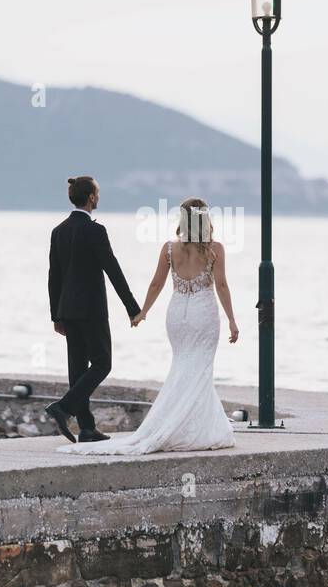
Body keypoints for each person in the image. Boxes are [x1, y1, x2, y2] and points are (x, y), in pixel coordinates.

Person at [59, 197, 238, 456]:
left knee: (182, 365)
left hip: (177, 314)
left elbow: (156, 284)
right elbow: (221, 285)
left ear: (183, 218)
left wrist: (142, 312)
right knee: (200, 368)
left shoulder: (169, 248)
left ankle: (189, 422)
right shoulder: (215, 249)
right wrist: (232, 319)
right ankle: (192, 426)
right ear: (205, 218)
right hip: (203, 314)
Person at [44, 176, 142, 443]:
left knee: (77, 369)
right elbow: (113, 269)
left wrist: (56, 315)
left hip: (67, 310)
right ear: (91, 197)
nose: (98, 197)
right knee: (102, 363)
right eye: (97, 193)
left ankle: (87, 428)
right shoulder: (95, 231)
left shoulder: (59, 230)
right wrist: (132, 307)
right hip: (92, 309)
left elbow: (54, 276)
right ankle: (63, 408)